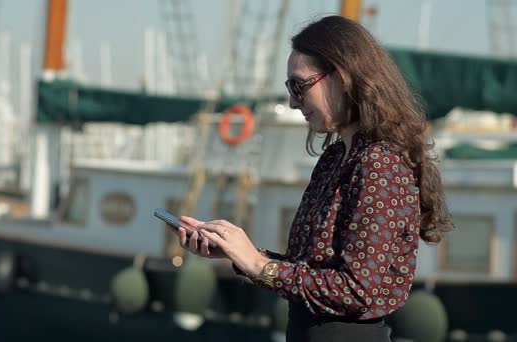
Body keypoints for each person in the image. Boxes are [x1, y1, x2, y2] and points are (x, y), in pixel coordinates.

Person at [173, 15, 453, 342]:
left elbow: (357, 290)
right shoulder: (336, 159)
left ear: (343, 76)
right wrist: (239, 253)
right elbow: (311, 270)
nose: (293, 101)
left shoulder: (379, 163)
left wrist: (259, 265)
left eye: (299, 85)